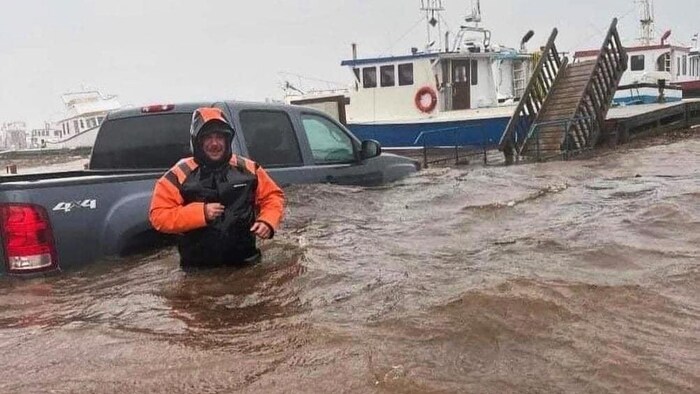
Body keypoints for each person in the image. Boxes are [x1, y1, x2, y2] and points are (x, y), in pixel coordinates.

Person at [149, 107, 284, 270]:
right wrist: (201, 213)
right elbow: (159, 216)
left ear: (228, 140)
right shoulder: (179, 174)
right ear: (197, 140)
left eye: (220, 137)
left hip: (246, 264)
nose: (214, 143)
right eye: (208, 138)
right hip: (198, 270)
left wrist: (267, 222)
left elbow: (273, 196)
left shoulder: (248, 168)